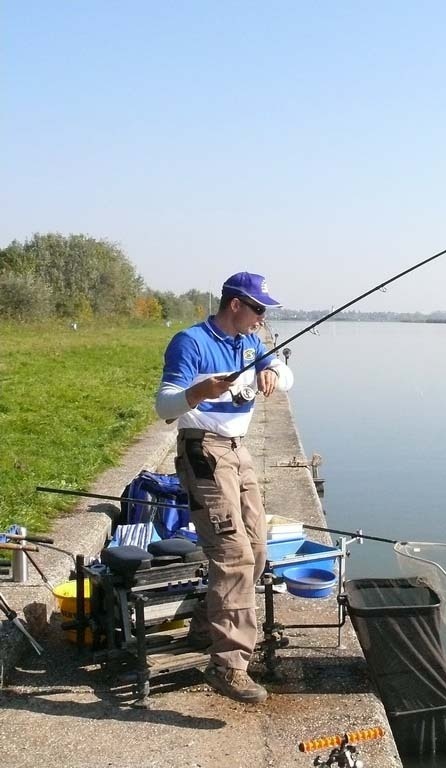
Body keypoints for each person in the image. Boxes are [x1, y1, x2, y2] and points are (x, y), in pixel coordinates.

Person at [155, 271, 294, 703]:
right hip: (204, 452)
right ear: (235, 304)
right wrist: (197, 392)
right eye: (258, 309)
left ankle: (204, 625)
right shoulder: (190, 342)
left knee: (256, 549)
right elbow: (164, 406)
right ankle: (229, 665)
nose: (262, 317)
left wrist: (274, 373)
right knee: (232, 554)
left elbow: (285, 374)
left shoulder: (250, 343)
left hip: (238, 450)